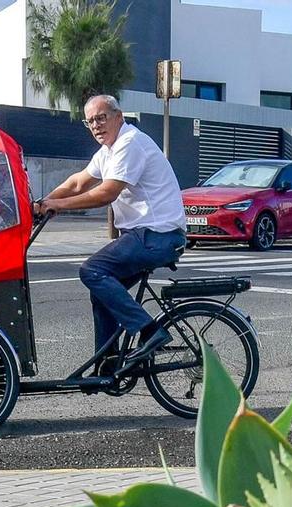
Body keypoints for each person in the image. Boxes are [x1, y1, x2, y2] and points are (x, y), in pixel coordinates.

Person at [32, 93, 187, 372]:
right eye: (90, 121)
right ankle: (108, 363)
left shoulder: (130, 143)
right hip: (142, 235)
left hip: (157, 235)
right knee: (101, 290)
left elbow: (106, 193)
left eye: (101, 118)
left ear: (119, 116)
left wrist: (58, 206)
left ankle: (150, 331)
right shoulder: (108, 151)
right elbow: (78, 182)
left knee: (92, 271)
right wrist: (44, 202)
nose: (96, 125)